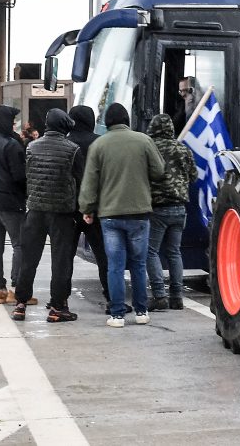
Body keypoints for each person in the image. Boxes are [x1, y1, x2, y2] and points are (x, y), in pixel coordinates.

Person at [79, 103, 165, 328]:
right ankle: (141, 311)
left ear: (107, 122)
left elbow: (90, 182)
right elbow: (159, 171)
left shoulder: (99, 145)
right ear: (127, 120)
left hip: (110, 215)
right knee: (138, 264)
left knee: (115, 265)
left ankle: (117, 314)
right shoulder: (144, 141)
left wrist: (87, 209)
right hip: (139, 213)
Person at [12, 109, 84, 323]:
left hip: (34, 211)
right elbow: (80, 181)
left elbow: (27, 175)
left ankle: (20, 304)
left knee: (29, 259)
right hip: (61, 213)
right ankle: (57, 307)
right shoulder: (73, 150)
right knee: (60, 261)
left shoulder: (31, 147)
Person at [0, 105, 34, 306]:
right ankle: (17, 289)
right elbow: (19, 175)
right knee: (19, 245)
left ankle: (0, 289)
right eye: (12, 121)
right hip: (9, 201)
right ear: (5, 122)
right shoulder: (11, 145)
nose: (14, 124)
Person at [145, 113, 197, 311]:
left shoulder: (150, 147)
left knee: (151, 251)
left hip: (157, 208)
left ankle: (159, 295)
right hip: (180, 209)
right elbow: (194, 175)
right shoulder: (183, 148)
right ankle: (177, 296)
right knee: (174, 252)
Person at [67, 105, 113, 311]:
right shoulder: (100, 142)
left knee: (65, 256)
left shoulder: (65, 142)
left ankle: (60, 299)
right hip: (96, 209)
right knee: (104, 255)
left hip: (68, 209)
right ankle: (111, 296)